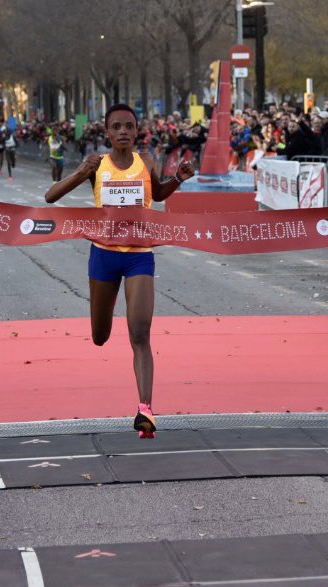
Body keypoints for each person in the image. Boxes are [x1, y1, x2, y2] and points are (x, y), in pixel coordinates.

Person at [44, 103, 194, 437]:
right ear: (107, 132)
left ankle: (145, 411)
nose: (124, 131)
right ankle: (102, 329)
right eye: (117, 127)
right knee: (100, 336)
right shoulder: (97, 165)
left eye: (129, 126)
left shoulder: (147, 162)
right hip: (103, 256)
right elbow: (50, 196)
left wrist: (177, 180)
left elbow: (158, 193)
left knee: (140, 334)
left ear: (137, 130)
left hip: (139, 255)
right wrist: (82, 172)